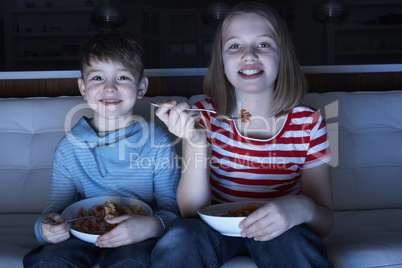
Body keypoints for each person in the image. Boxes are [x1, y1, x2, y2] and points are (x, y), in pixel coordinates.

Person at [152, 2, 333, 267]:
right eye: (235, 46)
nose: (249, 55)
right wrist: (195, 143)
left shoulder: (308, 122)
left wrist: (303, 208)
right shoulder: (202, 116)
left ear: (282, 55)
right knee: (181, 235)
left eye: (263, 44)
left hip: (281, 231)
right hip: (213, 231)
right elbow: (190, 213)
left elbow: (325, 222)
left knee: (294, 242)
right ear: (222, 62)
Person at [23, 30, 180, 268]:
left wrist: (151, 225)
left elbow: (171, 209)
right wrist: (46, 229)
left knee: (133, 261)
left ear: (141, 86)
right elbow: (54, 210)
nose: (109, 88)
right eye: (98, 78)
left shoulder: (157, 140)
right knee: (49, 260)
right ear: (83, 88)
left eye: (122, 78)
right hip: (80, 235)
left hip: (134, 237)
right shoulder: (68, 148)